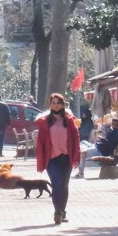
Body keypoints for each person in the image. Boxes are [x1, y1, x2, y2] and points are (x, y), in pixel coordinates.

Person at [35, 93, 81, 225]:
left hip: (66, 158)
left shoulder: (69, 121)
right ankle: (58, 212)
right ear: (50, 105)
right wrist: (40, 159)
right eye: (53, 103)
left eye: (58, 103)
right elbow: (41, 143)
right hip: (52, 159)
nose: (55, 105)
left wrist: (76, 156)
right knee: (56, 185)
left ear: (62, 104)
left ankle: (63, 210)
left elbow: (76, 140)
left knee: (64, 185)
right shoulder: (45, 122)